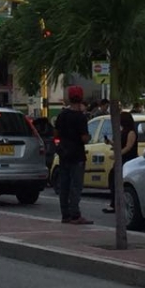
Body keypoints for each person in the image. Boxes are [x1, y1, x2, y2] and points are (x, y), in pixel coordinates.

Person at [55, 85, 92, 225]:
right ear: (81, 98)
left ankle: (65, 215)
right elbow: (84, 138)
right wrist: (88, 137)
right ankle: (75, 214)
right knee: (76, 186)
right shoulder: (81, 117)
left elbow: (56, 133)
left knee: (64, 185)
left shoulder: (62, 115)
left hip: (64, 154)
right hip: (77, 155)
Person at [102, 111, 138, 214]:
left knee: (118, 180)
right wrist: (110, 142)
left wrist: (117, 154)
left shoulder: (131, 132)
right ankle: (114, 203)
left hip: (127, 160)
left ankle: (116, 204)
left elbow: (128, 147)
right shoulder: (123, 131)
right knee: (113, 180)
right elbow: (120, 145)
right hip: (121, 159)